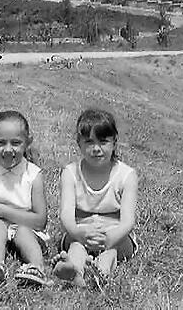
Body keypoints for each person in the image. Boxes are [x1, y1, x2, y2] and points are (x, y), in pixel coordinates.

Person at [53, 108, 138, 287]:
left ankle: (100, 273)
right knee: (76, 246)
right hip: (80, 231)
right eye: (89, 142)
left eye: (103, 142)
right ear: (79, 143)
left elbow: (128, 221)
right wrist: (78, 233)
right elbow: (66, 214)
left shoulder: (126, 175)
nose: (96, 149)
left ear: (114, 142)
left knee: (110, 252)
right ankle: (75, 272)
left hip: (116, 236)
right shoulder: (70, 173)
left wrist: (108, 239)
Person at [0, 111, 50, 286]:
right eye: (0, 143)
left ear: (28, 142)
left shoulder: (33, 175)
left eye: (16, 143)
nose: (8, 149)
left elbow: (40, 221)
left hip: (25, 228)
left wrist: (3, 211)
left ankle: (37, 268)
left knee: (23, 232)